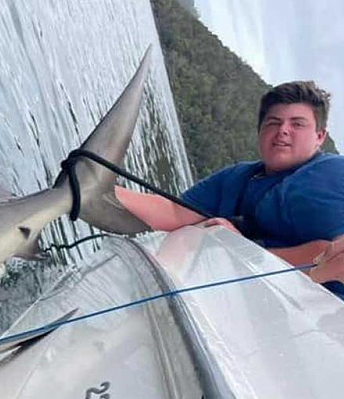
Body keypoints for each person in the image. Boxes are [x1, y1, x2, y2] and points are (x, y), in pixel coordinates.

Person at [113, 81, 344, 298]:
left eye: (297, 124)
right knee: (193, 233)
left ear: (319, 136)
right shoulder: (238, 178)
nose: (283, 130)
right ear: (260, 131)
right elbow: (175, 212)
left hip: (322, 323)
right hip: (241, 303)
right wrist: (102, 193)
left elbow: (328, 257)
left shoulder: (334, 172)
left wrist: (243, 249)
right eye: (273, 122)